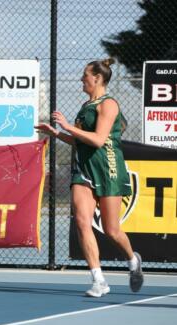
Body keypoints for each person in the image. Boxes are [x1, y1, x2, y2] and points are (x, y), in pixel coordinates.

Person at [35, 58, 143, 297]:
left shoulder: (109, 104)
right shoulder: (85, 106)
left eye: (85, 75)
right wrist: (57, 133)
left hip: (108, 168)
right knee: (82, 221)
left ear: (97, 78)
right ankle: (98, 279)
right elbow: (79, 140)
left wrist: (67, 125)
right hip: (83, 170)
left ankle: (132, 259)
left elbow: (97, 139)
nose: (81, 79)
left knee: (111, 229)